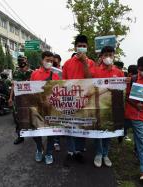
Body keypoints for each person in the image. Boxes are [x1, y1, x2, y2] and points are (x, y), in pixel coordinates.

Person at [88, 46, 124, 168]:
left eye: (111, 55)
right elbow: (89, 86)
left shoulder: (119, 72)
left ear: (114, 56)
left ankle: (105, 154)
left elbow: (120, 90)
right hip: (98, 105)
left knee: (109, 130)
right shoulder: (95, 71)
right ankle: (98, 154)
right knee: (98, 130)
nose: (108, 57)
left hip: (112, 105)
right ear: (101, 56)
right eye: (106, 55)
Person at [62, 34, 95, 166]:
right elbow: (63, 82)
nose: (81, 48)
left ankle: (79, 151)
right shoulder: (67, 63)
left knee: (81, 126)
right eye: (79, 46)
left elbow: (90, 79)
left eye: (84, 46)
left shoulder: (91, 62)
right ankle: (70, 152)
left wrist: (84, 63)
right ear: (75, 47)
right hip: (70, 100)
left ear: (87, 47)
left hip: (84, 100)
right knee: (70, 126)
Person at [30, 51, 60, 165]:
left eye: (51, 61)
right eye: (47, 60)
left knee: (51, 132)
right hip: (37, 107)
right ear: (42, 60)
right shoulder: (34, 74)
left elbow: (59, 92)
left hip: (51, 108)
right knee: (36, 130)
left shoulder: (56, 75)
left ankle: (49, 153)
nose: (49, 62)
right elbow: (30, 90)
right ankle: (39, 149)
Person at [10, 55, 33, 145]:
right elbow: (13, 85)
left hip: (29, 98)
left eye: (23, 60)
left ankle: (33, 133)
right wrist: (10, 97)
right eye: (20, 60)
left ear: (26, 60)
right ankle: (20, 136)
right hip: (18, 99)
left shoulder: (31, 72)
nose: (21, 62)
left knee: (31, 116)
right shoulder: (16, 72)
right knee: (18, 117)